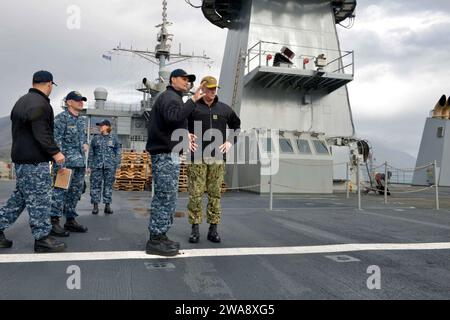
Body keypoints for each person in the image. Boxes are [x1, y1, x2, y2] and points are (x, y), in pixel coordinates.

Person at [0, 71, 66, 253]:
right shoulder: (40, 104)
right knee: (40, 200)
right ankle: (42, 239)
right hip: (34, 162)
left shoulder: (22, 101)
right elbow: (41, 133)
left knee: (18, 199)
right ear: (49, 84)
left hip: (21, 161)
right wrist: (56, 153)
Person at [145, 69, 205, 256]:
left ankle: (161, 234)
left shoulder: (173, 98)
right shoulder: (170, 97)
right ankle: (155, 239)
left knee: (169, 196)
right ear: (173, 80)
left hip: (169, 153)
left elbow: (170, 124)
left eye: (189, 80)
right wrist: (193, 100)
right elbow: (174, 117)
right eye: (184, 79)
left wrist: (186, 135)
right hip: (164, 155)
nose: (187, 82)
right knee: (164, 196)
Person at [187, 76, 241, 243]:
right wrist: (186, 134)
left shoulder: (224, 109)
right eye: (209, 88)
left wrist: (230, 142)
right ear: (202, 88)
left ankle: (213, 229)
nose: (212, 91)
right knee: (195, 194)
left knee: (215, 194)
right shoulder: (193, 108)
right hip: (196, 157)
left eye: (214, 88)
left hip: (217, 157)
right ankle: (195, 229)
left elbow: (237, 127)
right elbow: (179, 122)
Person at [50, 91, 89, 237]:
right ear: (69, 102)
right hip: (65, 164)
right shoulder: (61, 119)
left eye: (82, 100)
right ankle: (54, 221)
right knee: (60, 192)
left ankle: (70, 220)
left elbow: (82, 138)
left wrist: (85, 143)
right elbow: (56, 141)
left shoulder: (81, 120)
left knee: (75, 192)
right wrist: (59, 164)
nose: (81, 102)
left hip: (79, 163)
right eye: (78, 100)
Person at [88, 119, 121, 215]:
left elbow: (118, 151)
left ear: (107, 127)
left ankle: (107, 206)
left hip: (110, 166)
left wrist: (117, 163)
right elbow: (91, 152)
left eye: (101, 125)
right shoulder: (95, 138)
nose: (100, 127)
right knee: (95, 186)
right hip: (96, 166)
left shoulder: (114, 139)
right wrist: (90, 165)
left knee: (108, 186)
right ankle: (95, 206)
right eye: (99, 125)